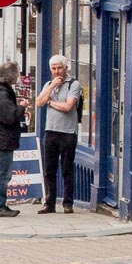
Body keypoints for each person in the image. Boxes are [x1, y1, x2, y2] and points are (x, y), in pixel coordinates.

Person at [36, 53, 82, 213]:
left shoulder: (74, 84)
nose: (57, 71)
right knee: (50, 169)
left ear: (66, 68)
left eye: (59, 68)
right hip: (51, 131)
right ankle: (49, 203)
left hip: (68, 132)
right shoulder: (49, 84)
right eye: (54, 68)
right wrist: (51, 87)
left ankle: (68, 203)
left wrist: (51, 102)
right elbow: (39, 103)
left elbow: (68, 107)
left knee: (67, 168)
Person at [0, 61, 27, 218]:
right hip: (3, 139)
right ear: (11, 75)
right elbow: (9, 117)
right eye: (17, 73)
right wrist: (21, 107)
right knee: (4, 174)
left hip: (2, 137)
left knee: (4, 173)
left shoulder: (1, 91)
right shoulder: (2, 94)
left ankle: (1, 205)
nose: (18, 77)